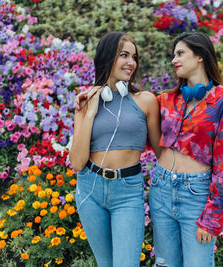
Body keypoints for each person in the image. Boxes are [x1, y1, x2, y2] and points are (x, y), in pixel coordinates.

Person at [149, 32, 223, 267]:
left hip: (196, 195)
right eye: (173, 55)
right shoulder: (167, 100)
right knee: (164, 264)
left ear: (200, 55)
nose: (174, 60)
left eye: (180, 53)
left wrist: (212, 219)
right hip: (161, 188)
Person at [69, 32, 161, 267]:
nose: (131, 62)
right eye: (124, 55)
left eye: (134, 56)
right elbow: (77, 163)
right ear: (108, 57)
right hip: (90, 189)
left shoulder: (146, 101)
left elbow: (162, 152)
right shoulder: (85, 101)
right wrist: (89, 112)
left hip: (127, 192)